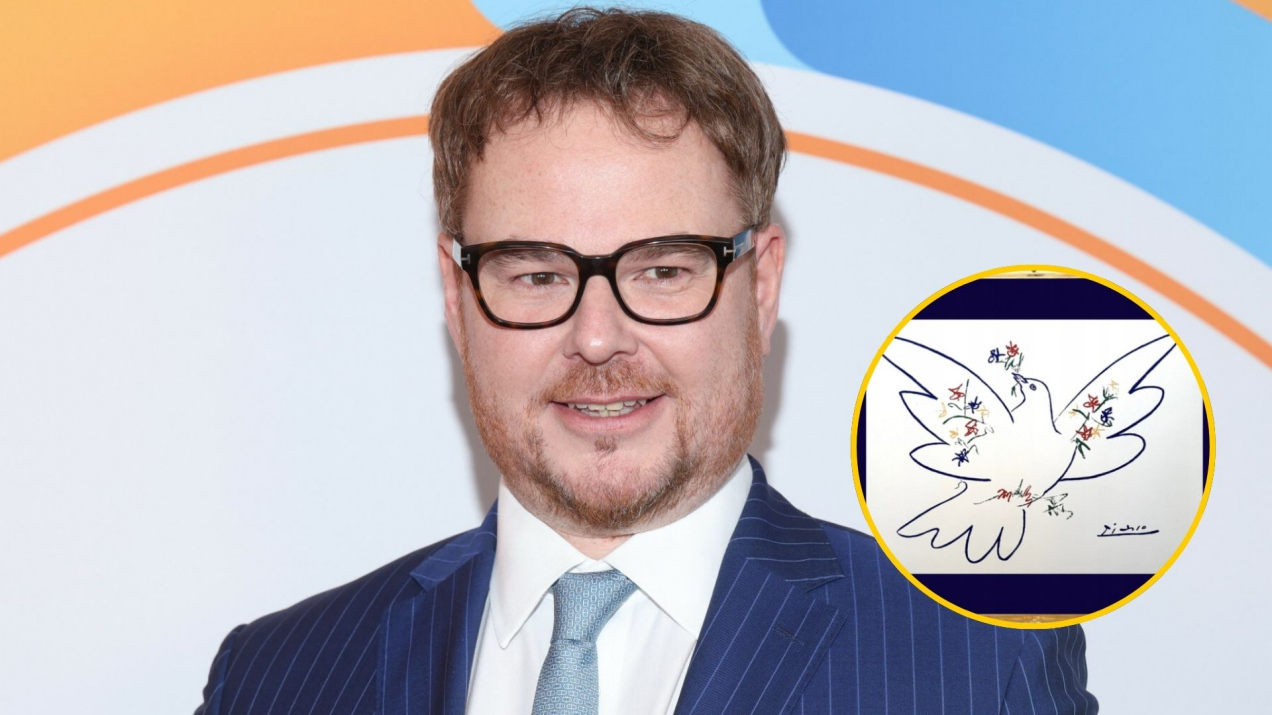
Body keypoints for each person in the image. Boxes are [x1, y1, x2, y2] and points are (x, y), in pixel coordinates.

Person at [196, 8, 1095, 714]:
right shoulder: (276, 678)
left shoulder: (978, 662)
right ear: (456, 294)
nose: (597, 337)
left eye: (663, 270)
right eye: (537, 274)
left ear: (762, 285)